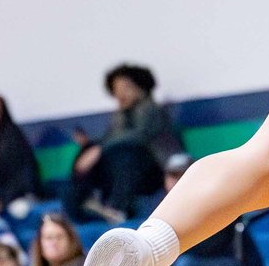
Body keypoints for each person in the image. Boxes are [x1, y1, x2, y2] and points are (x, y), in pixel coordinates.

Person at [63, 65, 184, 223]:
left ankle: (118, 208)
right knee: (87, 154)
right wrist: (90, 147)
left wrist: (99, 148)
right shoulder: (120, 116)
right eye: (116, 89)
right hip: (123, 172)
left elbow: (138, 137)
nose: (120, 94)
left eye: (126, 87)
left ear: (140, 88)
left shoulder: (150, 110)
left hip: (154, 172)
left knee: (125, 154)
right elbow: (109, 140)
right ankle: (84, 203)